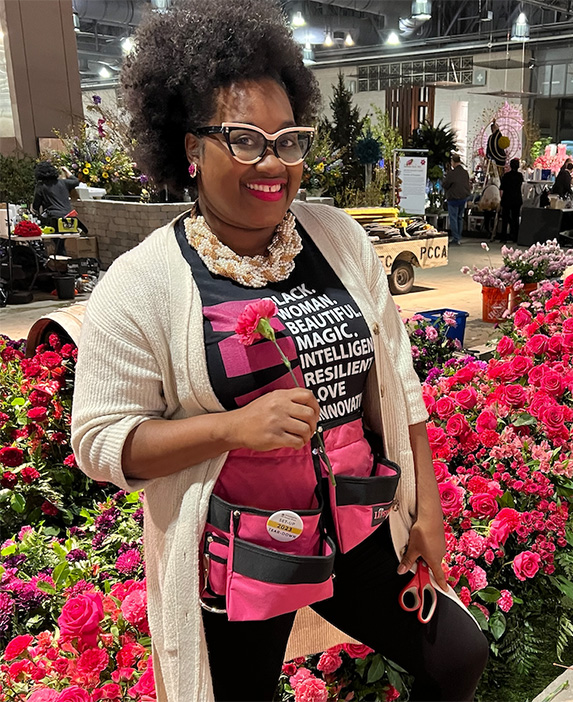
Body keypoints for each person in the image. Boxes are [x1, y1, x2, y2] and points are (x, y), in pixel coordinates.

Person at [70, 2, 488, 701]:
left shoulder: (340, 239)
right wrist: (232, 430)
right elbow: (99, 442)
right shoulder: (142, 284)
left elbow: (399, 381)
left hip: (356, 523)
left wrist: (428, 511)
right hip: (237, 556)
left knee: (455, 656)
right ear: (188, 148)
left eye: (288, 140)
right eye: (243, 138)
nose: (273, 164)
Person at [32, 161, 87, 254]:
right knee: (62, 243)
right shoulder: (63, 183)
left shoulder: (41, 186)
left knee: (58, 244)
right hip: (70, 217)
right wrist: (66, 170)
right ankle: (63, 262)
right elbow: (76, 181)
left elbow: (35, 206)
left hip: (54, 219)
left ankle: (60, 264)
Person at [442, 153, 472, 245]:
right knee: (460, 217)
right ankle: (459, 236)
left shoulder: (452, 173)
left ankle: (456, 238)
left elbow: (445, 184)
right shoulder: (465, 172)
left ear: (453, 162)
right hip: (463, 198)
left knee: (453, 218)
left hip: (453, 198)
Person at [498, 158, 524, 243]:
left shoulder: (506, 176)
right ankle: (515, 236)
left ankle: (503, 237)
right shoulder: (520, 176)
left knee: (505, 218)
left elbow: (502, 189)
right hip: (516, 199)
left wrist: (500, 199)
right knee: (515, 218)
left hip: (507, 199)